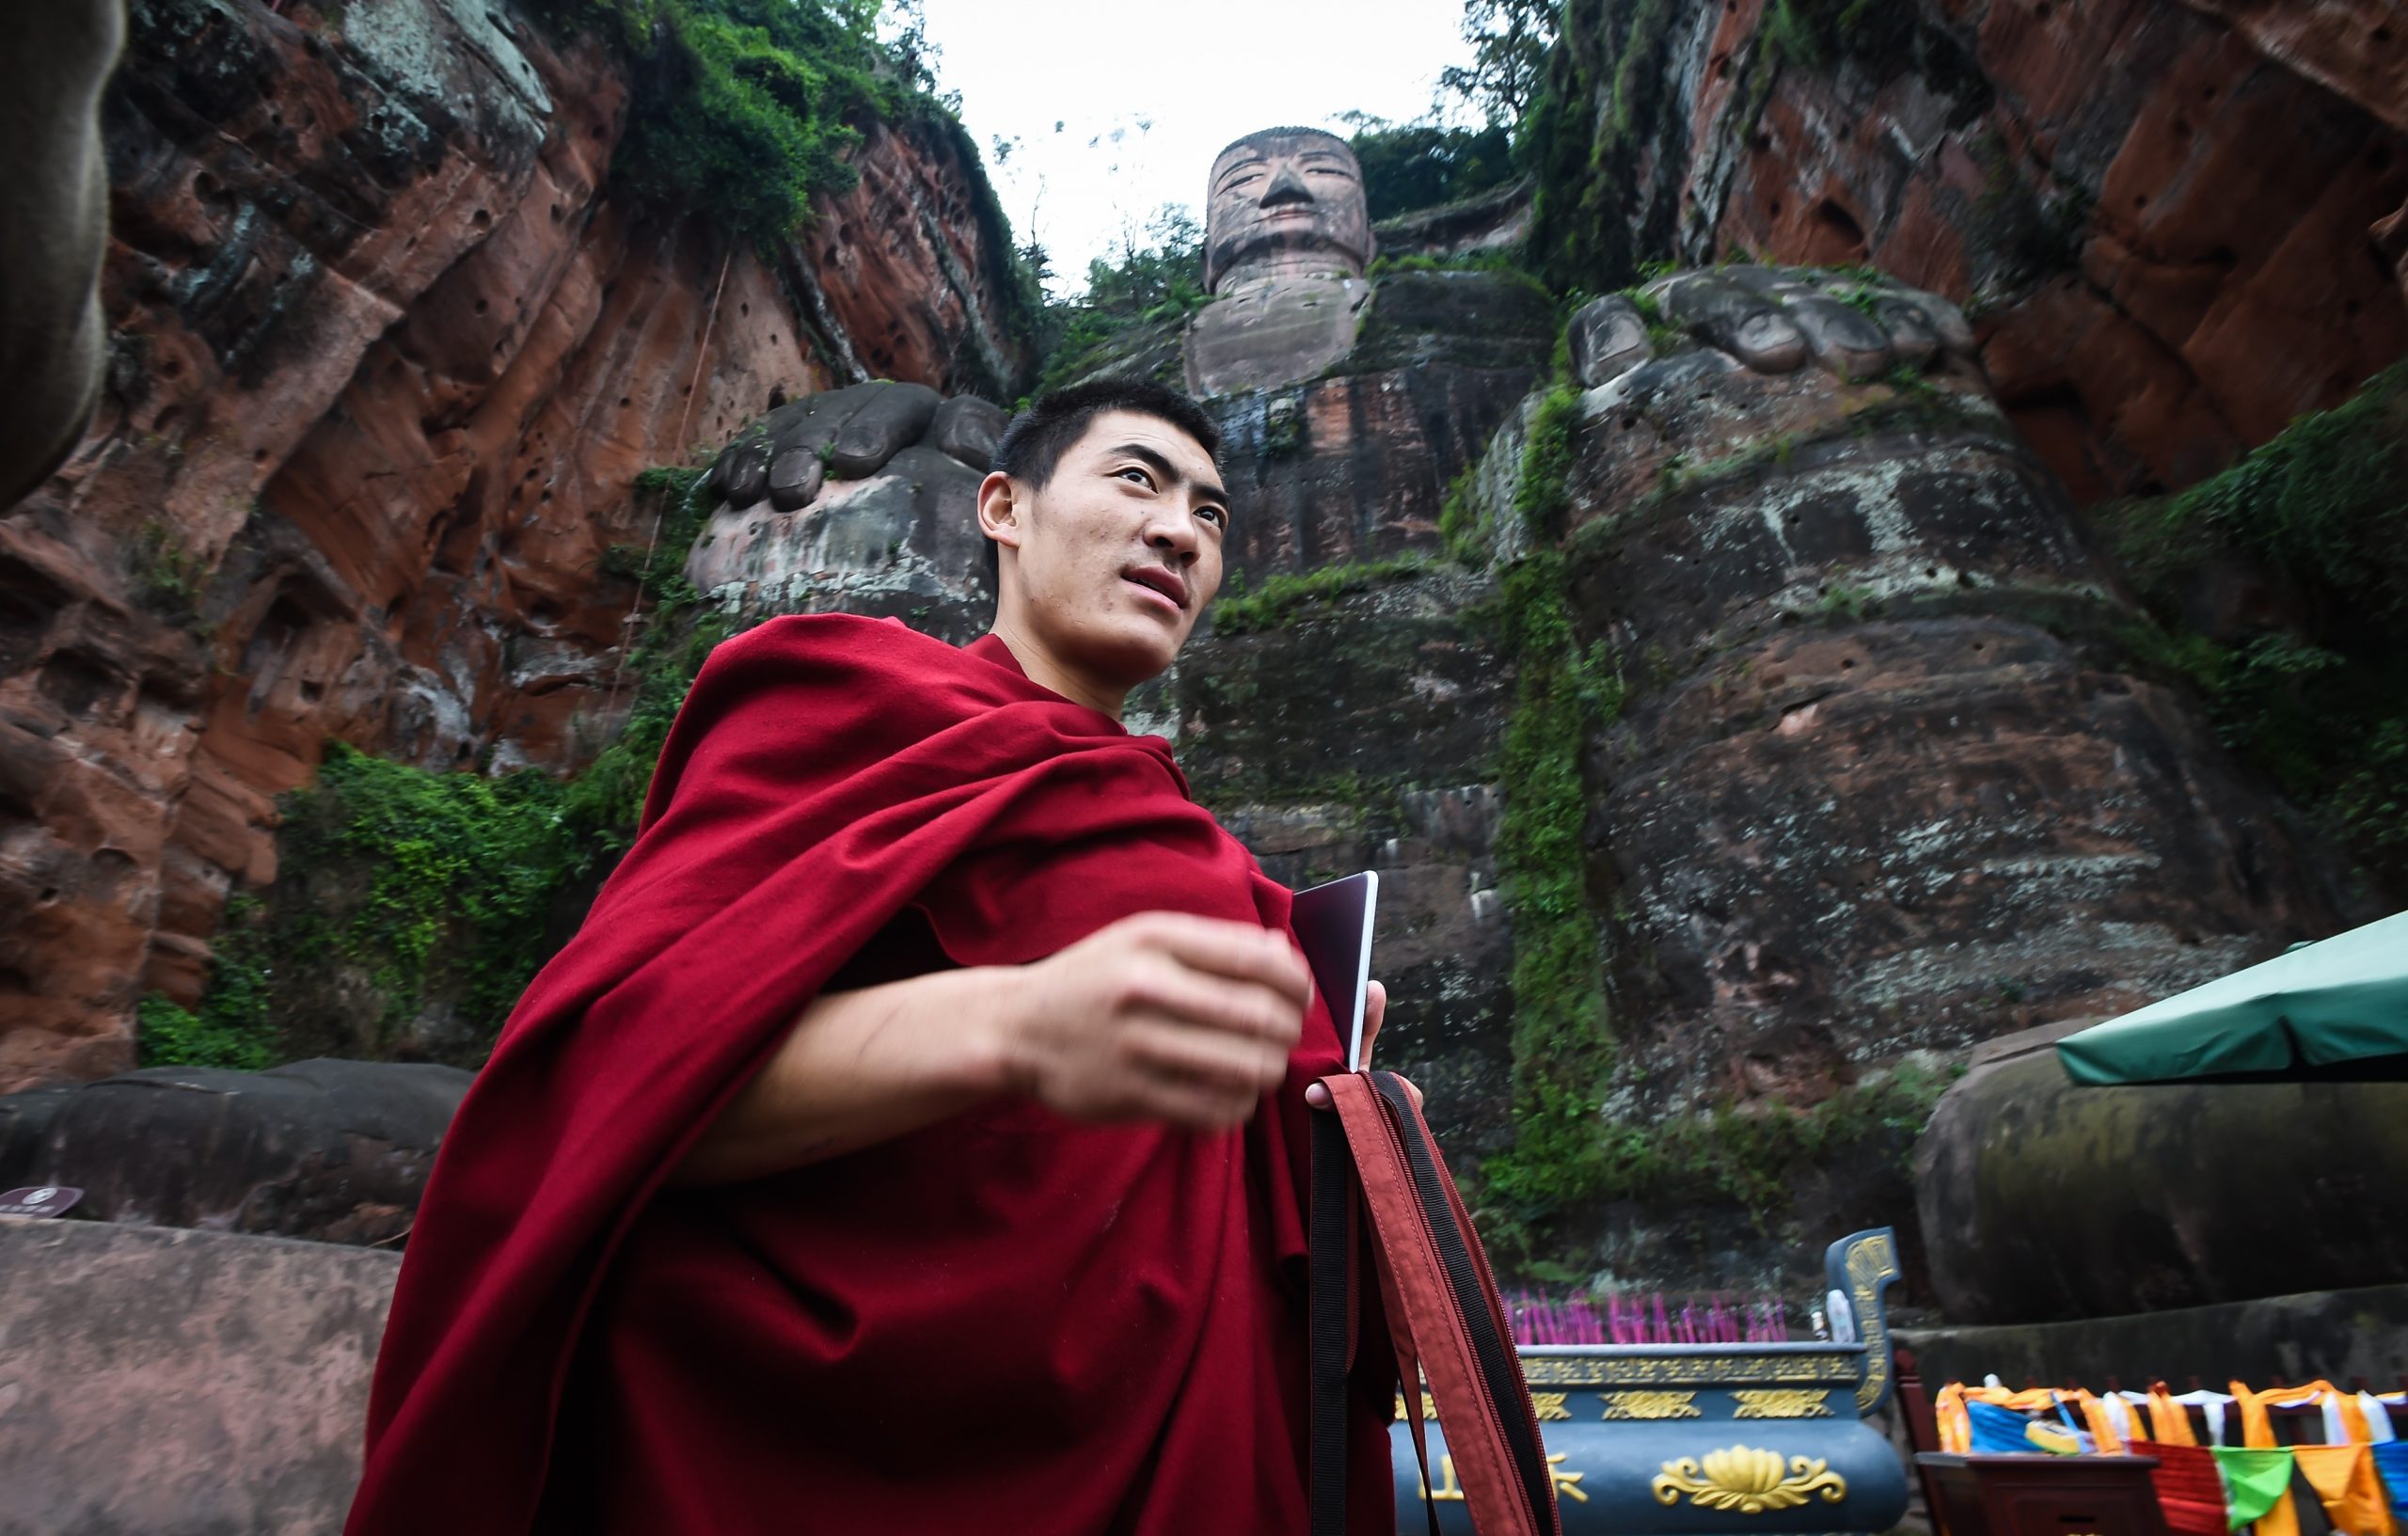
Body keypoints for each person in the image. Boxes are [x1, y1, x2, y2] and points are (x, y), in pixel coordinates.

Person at [343, 379, 1404, 1534]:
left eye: (1211, 516)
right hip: (805, 1449)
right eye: (1137, 481)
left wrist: (1333, 1107)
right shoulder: (841, 704)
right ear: (1003, 507)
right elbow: (603, 1097)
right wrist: (1016, 1024)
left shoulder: (1224, 881)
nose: (1178, 532)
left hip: (1152, 1460)